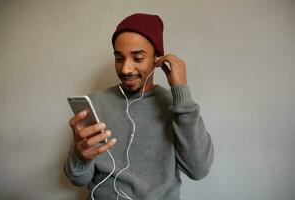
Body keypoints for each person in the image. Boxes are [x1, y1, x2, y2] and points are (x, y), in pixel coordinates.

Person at [64, 13, 214, 200]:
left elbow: (198, 170)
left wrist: (181, 91)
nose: (126, 69)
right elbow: (78, 179)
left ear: (157, 59)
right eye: (119, 58)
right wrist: (81, 156)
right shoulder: (95, 103)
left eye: (138, 58)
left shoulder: (176, 107)